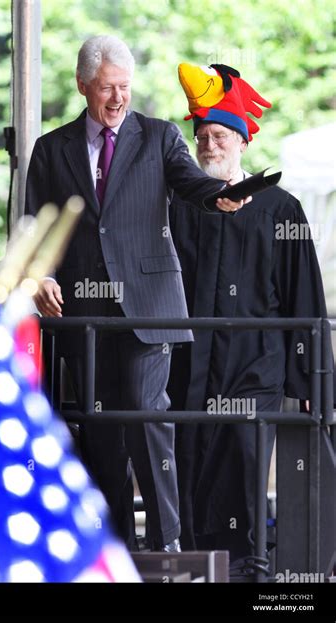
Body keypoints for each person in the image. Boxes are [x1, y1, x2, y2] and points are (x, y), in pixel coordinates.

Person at [25, 37, 246, 552]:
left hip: (149, 307)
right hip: (83, 311)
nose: (119, 98)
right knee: (101, 431)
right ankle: (117, 547)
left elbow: (192, 182)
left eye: (125, 87)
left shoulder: (159, 136)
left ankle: (167, 543)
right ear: (83, 86)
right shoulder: (52, 149)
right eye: (107, 88)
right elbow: (34, 225)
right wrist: (42, 274)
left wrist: (222, 195)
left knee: (147, 415)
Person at [167, 62, 332, 574]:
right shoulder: (179, 205)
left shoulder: (279, 209)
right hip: (188, 367)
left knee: (243, 466)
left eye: (219, 136)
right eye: (202, 136)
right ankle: (196, 565)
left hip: (254, 368)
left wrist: (311, 378)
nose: (209, 145)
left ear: (241, 142)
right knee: (187, 464)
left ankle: (249, 567)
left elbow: (304, 295)